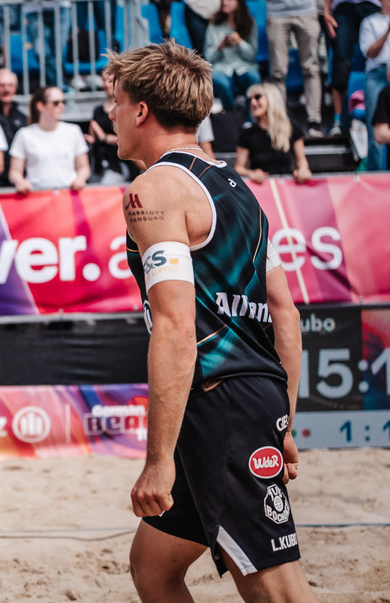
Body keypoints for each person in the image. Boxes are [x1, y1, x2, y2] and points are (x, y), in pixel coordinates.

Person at [104, 40, 316, 602]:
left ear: (142, 110)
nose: (112, 115)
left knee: (278, 592)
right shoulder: (241, 190)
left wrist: (157, 462)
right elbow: (285, 316)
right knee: (153, 567)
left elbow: (175, 327)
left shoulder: (152, 192)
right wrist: (284, 419)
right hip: (256, 396)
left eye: (117, 102)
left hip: (219, 406)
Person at [250, 0, 323, 137]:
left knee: (311, 67)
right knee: (278, 72)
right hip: (277, 14)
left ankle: (314, 120)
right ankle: (281, 121)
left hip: (305, 11)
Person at [324, 0, 389, 137]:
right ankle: (337, 120)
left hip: (371, 7)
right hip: (343, 8)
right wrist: (326, 12)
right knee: (341, 61)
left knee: (373, 59)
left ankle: (370, 115)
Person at [9, 85, 90, 191]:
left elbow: (84, 167)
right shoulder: (24, 134)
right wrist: (20, 182)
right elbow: (14, 172)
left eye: (63, 102)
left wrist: (80, 179)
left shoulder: (73, 131)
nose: (61, 106)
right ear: (41, 106)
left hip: (67, 195)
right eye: (56, 103)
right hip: (37, 197)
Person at [236, 82, 312, 183]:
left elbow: (301, 160)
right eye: (250, 99)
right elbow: (238, 168)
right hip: (262, 189)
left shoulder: (292, 128)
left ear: (271, 99)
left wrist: (303, 170)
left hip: (287, 187)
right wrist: (251, 173)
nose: (253, 103)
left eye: (257, 97)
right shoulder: (247, 134)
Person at [204, 0, 260, 112]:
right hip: (222, 67)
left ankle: (250, 119)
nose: (224, 2)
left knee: (254, 78)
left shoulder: (250, 23)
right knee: (220, 81)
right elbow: (208, 57)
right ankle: (231, 114)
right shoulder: (214, 24)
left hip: (245, 66)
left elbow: (252, 55)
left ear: (239, 2)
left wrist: (240, 43)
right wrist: (219, 47)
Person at [358, 0, 390, 171]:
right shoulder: (370, 22)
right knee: (376, 129)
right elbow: (370, 52)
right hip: (377, 73)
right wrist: (387, 31)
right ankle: (378, 179)